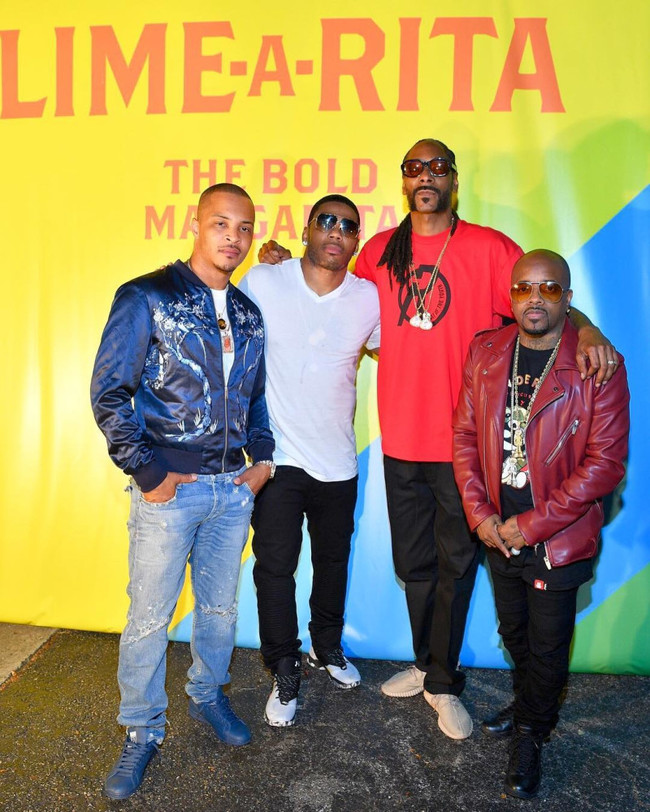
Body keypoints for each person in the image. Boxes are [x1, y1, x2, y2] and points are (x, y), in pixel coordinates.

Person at [258, 138, 618, 740]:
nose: (426, 176)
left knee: (456, 568)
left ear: (453, 179)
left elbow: (544, 298)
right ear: (404, 180)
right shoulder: (379, 250)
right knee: (415, 566)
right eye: (415, 168)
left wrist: (589, 331)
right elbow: (324, 284)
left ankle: (445, 682)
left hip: (465, 448)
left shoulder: (490, 248)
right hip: (400, 441)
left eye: (438, 168)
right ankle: (428, 666)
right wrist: (277, 261)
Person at [90, 183, 275, 800]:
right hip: (170, 491)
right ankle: (141, 728)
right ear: (196, 224)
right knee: (149, 618)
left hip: (232, 490)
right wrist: (150, 474)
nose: (233, 237)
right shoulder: (147, 295)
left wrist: (263, 459)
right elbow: (108, 393)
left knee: (220, 610)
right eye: (221, 223)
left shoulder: (248, 314)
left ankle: (207, 694)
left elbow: (256, 397)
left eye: (244, 227)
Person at [452, 249, 629, 798]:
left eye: (549, 289)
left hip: (557, 536)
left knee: (549, 645)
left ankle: (532, 731)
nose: (535, 298)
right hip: (497, 531)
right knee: (514, 633)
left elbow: (605, 465)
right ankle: (532, 701)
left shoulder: (596, 365)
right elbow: (464, 437)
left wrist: (531, 525)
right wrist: (481, 515)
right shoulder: (486, 352)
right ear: (511, 296)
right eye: (524, 288)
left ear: (568, 298)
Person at [239, 195, 380, 727]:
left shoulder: (368, 298)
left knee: (332, 563)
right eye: (327, 220)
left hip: (338, 461)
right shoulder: (264, 280)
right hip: (278, 458)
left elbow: (405, 348)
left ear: (356, 241)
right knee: (275, 568)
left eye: (348, 225)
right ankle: (284, 665)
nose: (336, 230)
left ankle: (327, 645)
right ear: (306, 230)